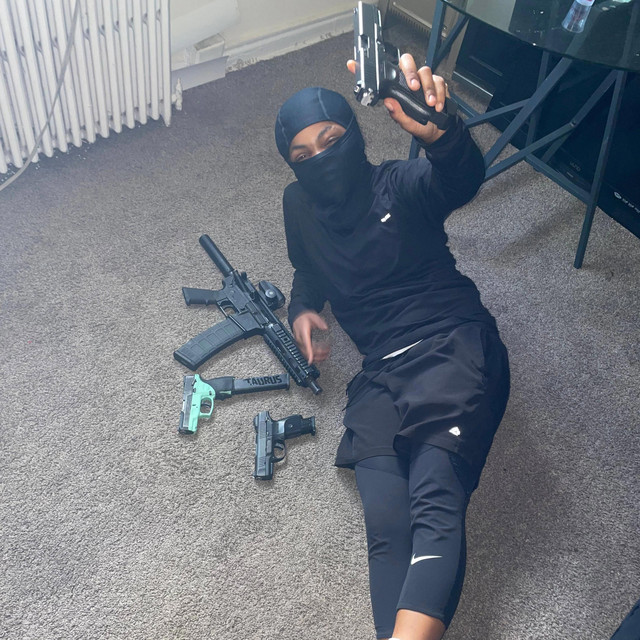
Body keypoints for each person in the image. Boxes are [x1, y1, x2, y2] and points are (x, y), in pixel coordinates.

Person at [274, 54, 510, 640]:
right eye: (302, 155)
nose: (319, 159)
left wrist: (444, 137)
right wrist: (302, 308)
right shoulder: (297, 205)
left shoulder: (399, 185)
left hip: (452, 343)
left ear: (355, 136)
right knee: (386, 523)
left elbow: (458, 180)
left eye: (331, 141)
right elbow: (307, 267)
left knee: (435, 498)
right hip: (379, 372)